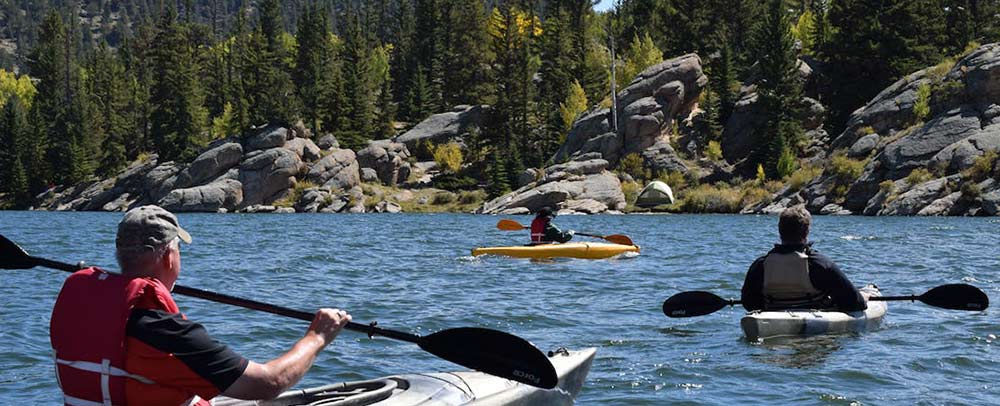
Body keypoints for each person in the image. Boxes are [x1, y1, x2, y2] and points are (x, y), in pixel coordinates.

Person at [50, 205, 352, 405]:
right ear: (168, 256)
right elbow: (267, 383)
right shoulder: (164, 330)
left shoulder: (78, 313)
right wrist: (318, 337)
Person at [741, 205, 867, 313]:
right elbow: (855, 303)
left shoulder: (760, 265)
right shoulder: (820, 264)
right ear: (806, 232)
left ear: (780, 231)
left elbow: (748, 303)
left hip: (775, 317)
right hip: (815, 325)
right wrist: (864, 297)